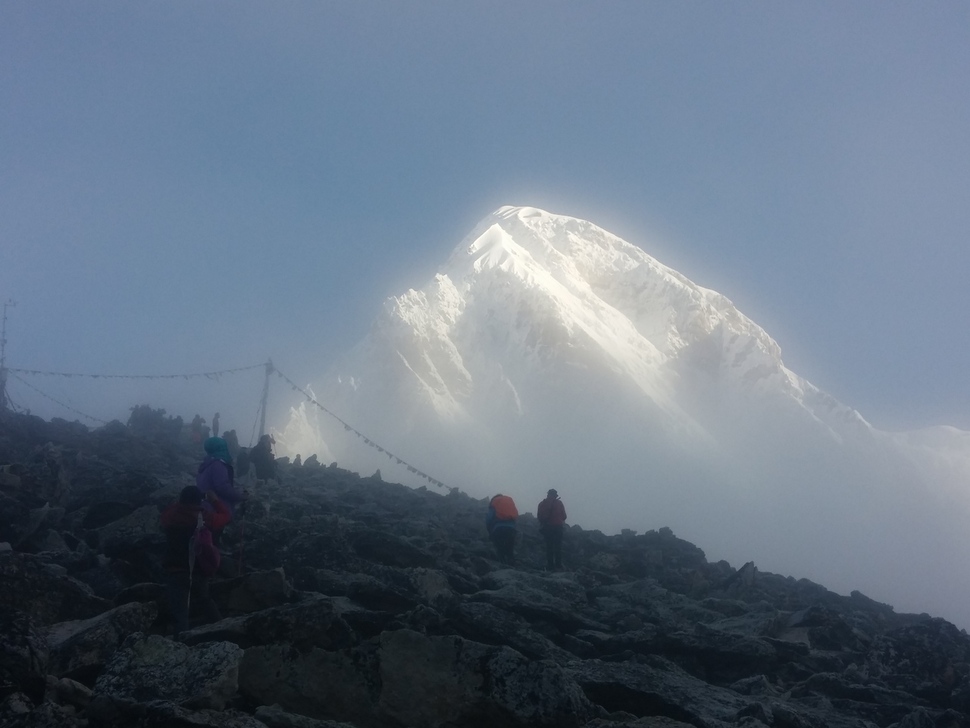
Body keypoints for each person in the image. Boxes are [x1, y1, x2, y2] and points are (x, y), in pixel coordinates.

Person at [160, 485, 230, 639]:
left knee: (180, 613)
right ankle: (225, 633)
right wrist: (215, 501)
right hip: (199, 570)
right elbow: (226, 515)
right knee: (205, 600)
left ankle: (181, 646)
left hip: (175, 570)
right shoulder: (207, 518)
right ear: (199, 501)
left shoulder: (170, 516)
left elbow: (167, 514)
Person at [196, 436, 248, 542]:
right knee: (212, 542)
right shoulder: (218, 464)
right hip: (216, 510)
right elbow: (223, 487)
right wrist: (241, 496)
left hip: (205, 509)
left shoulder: (206, 464)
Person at [537, 488, 567, 570]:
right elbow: (564, 516)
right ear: (555, 495)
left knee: (549, 546)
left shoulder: (542, 503)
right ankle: (558, 565)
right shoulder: (559, 503)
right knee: (558, 546)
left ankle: (550, 565)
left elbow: (539, 516)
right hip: (558, 527)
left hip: (547, 527)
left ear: (548, 494)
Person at [485, 494, 518, 566]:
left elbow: (489, 518)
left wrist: (489, 530)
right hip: (511, 529)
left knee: (499, 548)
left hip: (498, 528)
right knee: (509, 549)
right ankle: (512, 564)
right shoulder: (509, 502)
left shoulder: (495, 502)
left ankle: (502, 564)